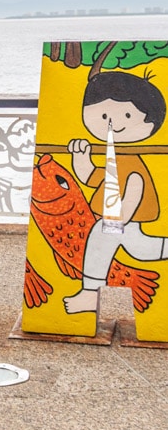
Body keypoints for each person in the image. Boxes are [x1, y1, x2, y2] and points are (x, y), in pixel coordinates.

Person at [63, 69, 168, 314]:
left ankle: (90, 293)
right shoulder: (114, 156)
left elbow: (135, 186)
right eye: (102, 114)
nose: (113, 122)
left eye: (128, 114)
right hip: (120, 221)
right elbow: (90, 177)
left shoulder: (130, 160)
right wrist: (81, 156)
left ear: (150, 124)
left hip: (122, 219)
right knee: (142, 249)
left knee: (109, 237)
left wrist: (120, 219)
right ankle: (90, 293)